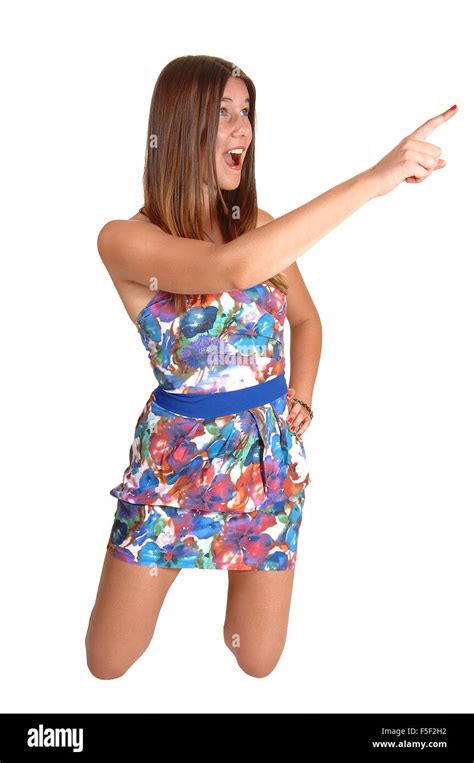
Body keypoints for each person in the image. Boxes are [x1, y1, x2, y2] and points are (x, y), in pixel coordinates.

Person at [85, 54, 457, 680]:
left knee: (257, 660)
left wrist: (302, 396)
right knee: (109, 661)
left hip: (264, 460)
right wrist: (373, 180)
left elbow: (306, 320)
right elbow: (231, 270)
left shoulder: (256, 226)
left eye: (247, 113)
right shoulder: (125, 240)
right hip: (176, 469)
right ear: (179, 127)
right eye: (223, 114)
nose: (243, 130)